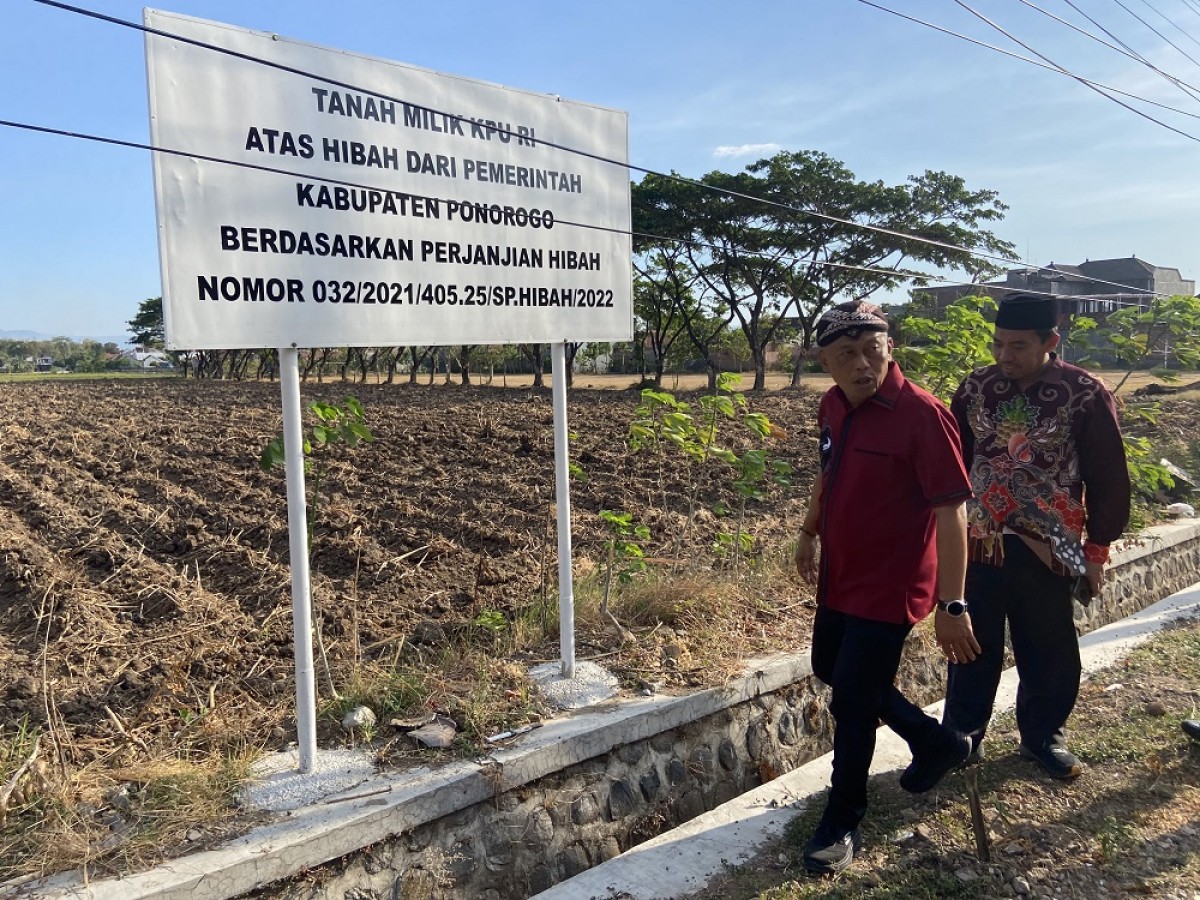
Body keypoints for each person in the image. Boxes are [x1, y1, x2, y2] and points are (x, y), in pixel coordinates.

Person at [794, 299, 978, 875]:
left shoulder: (922, 415)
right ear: (824, 361)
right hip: (841, 573)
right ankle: (937, 742)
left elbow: (953, 512)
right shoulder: (831, 405)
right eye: (846, 354)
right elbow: (829, 473)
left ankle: (843, 816)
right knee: (830, 666)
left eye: (872, 350)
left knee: (851, 700)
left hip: (891, 584)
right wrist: (807, 530)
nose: (862, 365)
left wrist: (953, 603)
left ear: (889, 347)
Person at [942, 292, 1130, 780]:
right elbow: (951, 462)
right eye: (998, 344)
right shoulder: (975, 387)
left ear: (1051, 341)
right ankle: (962, 736)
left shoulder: (1085, 393)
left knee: (1048, 645)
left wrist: (1097, 551)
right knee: (971, 642)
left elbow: (1108, 476)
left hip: (1054, 543)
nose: (1005, 356)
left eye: (1019, 346)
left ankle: (1043, 737)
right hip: (979, 538)